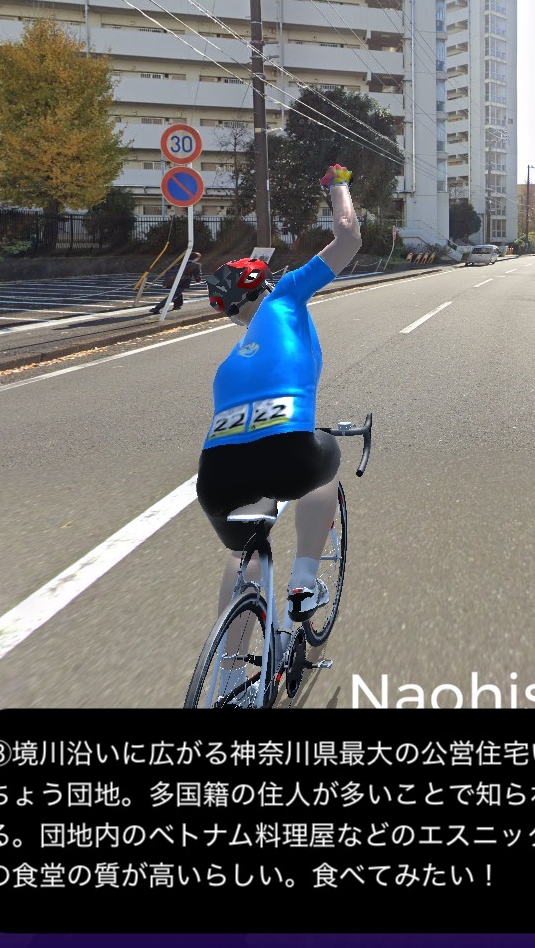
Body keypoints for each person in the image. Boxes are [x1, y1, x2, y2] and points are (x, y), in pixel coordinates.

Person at [195, 166, 360, 698]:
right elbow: (348, 236)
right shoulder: (286, 296)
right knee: (323, 474)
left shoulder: (228, 363)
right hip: (288, 450)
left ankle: (228, 678)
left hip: (215, 475)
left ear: (229, 313)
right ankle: (305, 582)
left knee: (242, 555)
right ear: (262, 285)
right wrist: (337, 183)